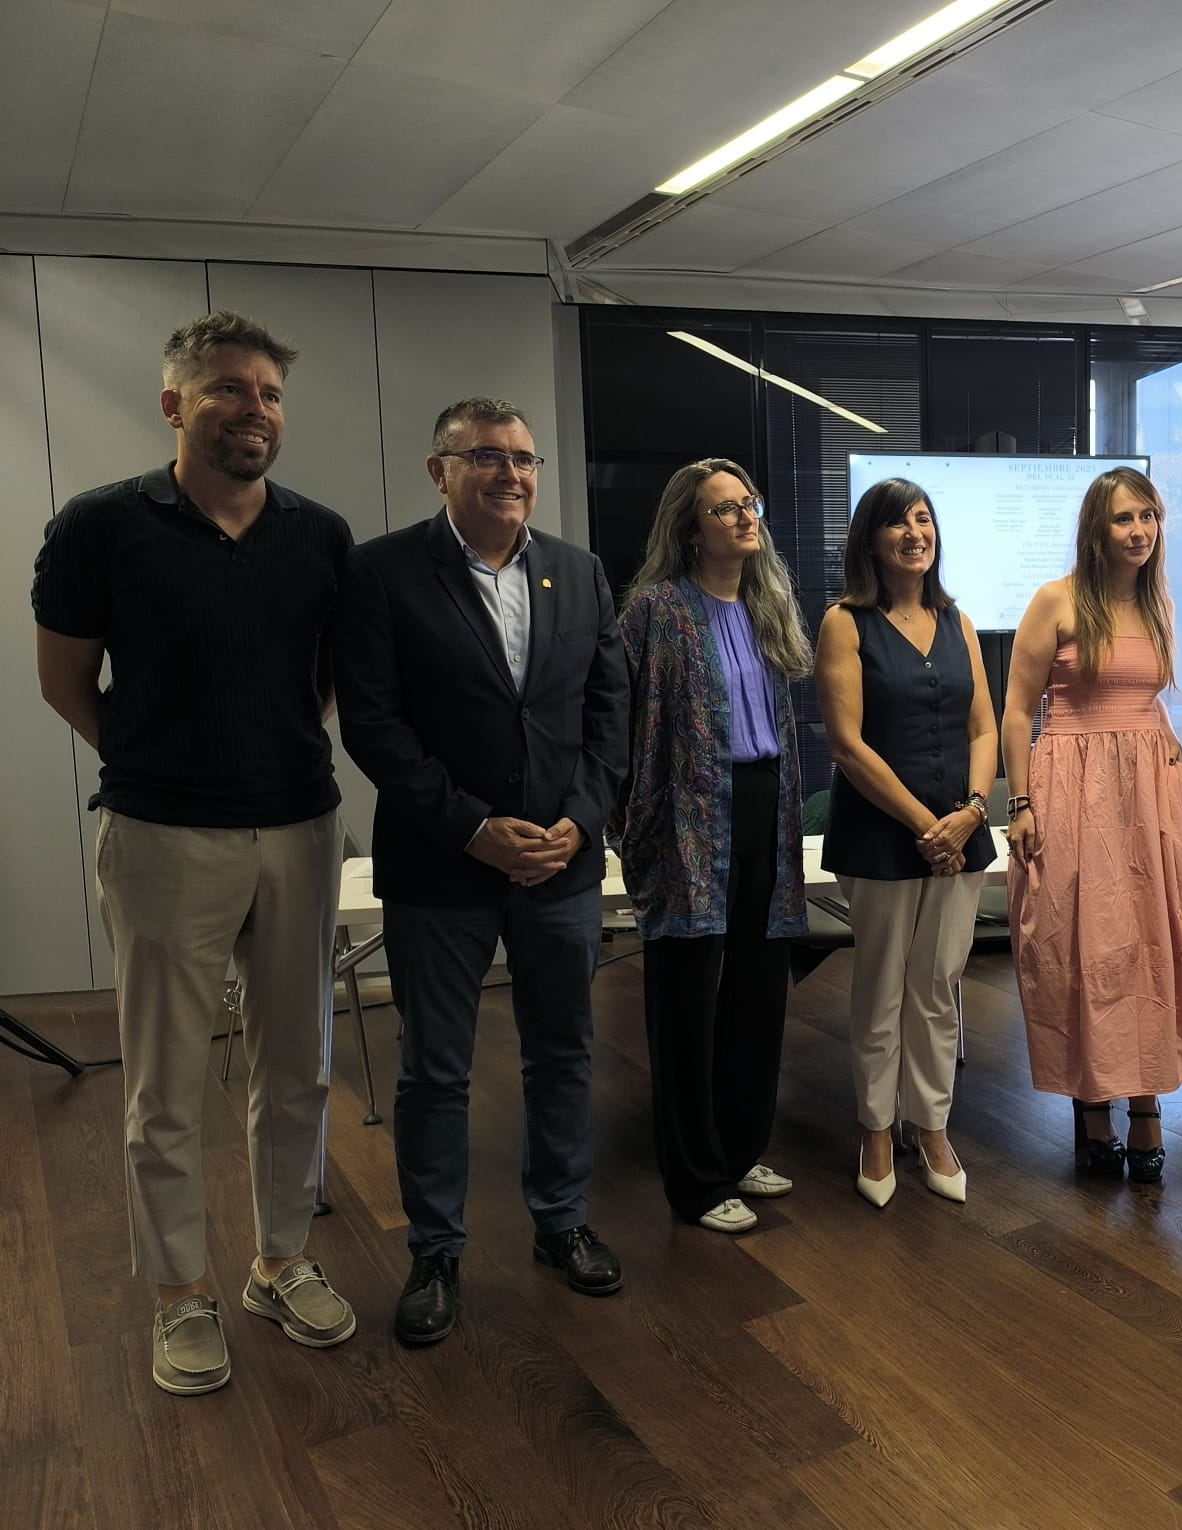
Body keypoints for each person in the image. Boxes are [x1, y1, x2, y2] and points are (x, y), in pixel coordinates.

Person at [30, 310, 357, 1397]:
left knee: (296, 1066)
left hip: (302, 829)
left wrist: (269, 758)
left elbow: (322, 683)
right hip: (163, 835)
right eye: (227, 389)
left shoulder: (320, 535)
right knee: (165, 1084)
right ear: (175, 404)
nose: (252, 409)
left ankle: (278, 1260)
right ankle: (178, 1293)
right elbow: (64, 677)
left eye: (267, 392)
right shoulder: (101, 527)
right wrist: (161, 765)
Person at [336, 396, 629, 1345]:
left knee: (563, 1054)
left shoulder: (578, 574)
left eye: (525, 459)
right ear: (440, 470)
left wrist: (580, 826)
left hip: (560, 868)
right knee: (435, 1071)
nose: (512, 474)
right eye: (488, 458)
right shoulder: (382, 572)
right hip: (441, 867)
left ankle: (561, 1220)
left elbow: (607, 717)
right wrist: (473, 829)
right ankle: (435, 1248)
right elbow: (375, 725)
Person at [612, 458, 811, 1233]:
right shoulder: (656, 611)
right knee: (687, 1001)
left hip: (765, 809)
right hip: (687, 817)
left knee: (760, 993)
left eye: (749, 504)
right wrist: (628, 821)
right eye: (725, 510)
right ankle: (695, 1179)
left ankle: (737, 1150)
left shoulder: (767, 608)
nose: (744, 519)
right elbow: (622, 723)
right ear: (690, 529)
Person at [1003, 466, 1182, 1184]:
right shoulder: (1055, 599)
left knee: (1149, 941)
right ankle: (1093, 1104)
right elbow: (1018, 712)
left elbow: (1152, 705)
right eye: (1124, 518)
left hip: (1146, 791)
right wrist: (1019, 805)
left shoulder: (1158, 604)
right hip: (1070, 781)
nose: (1140, 531)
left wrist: (1176, 789)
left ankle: (1145, 1102)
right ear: (1097, 527)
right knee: (1083, 941)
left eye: (1148, 516)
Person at [817, 478, 997, 1207]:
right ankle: (875, 1126)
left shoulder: (957, 620)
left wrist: (973, 812)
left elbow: (984, 728)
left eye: (924, 519)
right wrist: (928, 826)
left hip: (962, 833)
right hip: (884, 837)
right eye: (897, 523)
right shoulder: (845, 621)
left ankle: (930, 1125)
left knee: (937, 987)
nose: (914, 533)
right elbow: (847, 745)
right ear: (872, 539)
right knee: (883, 987)